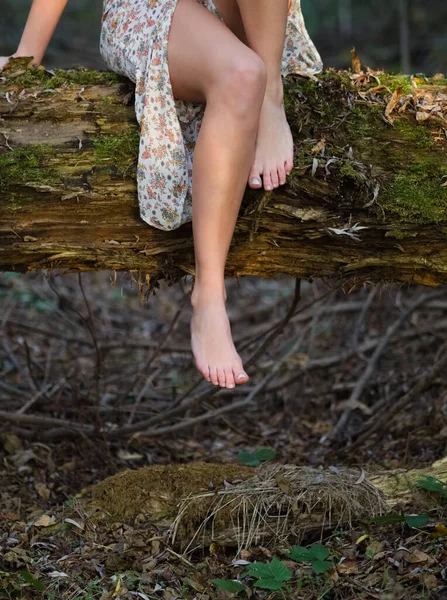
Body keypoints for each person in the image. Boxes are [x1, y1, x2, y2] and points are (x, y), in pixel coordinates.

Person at [0, 0, 323, 390]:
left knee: (255, 75)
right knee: (243, 74)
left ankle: (271, 97)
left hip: (251, 15)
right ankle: (209, 299)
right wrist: (27, 54)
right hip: (151, 9)